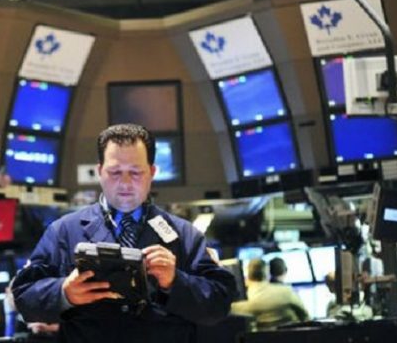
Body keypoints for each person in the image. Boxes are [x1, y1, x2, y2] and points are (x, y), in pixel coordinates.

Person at [12, 123, 236, 343]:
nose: (125, 183)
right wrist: (63, 293)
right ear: (99, 171)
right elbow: (24, 296)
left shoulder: (185, 235)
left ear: (152, 172)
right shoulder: (63, 231)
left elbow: (219, 304)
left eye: (136, 172)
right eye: (115, 172)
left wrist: (176, 281)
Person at [231, 259, 308, 330]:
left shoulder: (237, 305)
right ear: (268, 275)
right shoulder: (286, 292)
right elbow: (306, 318)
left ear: (247, 278)